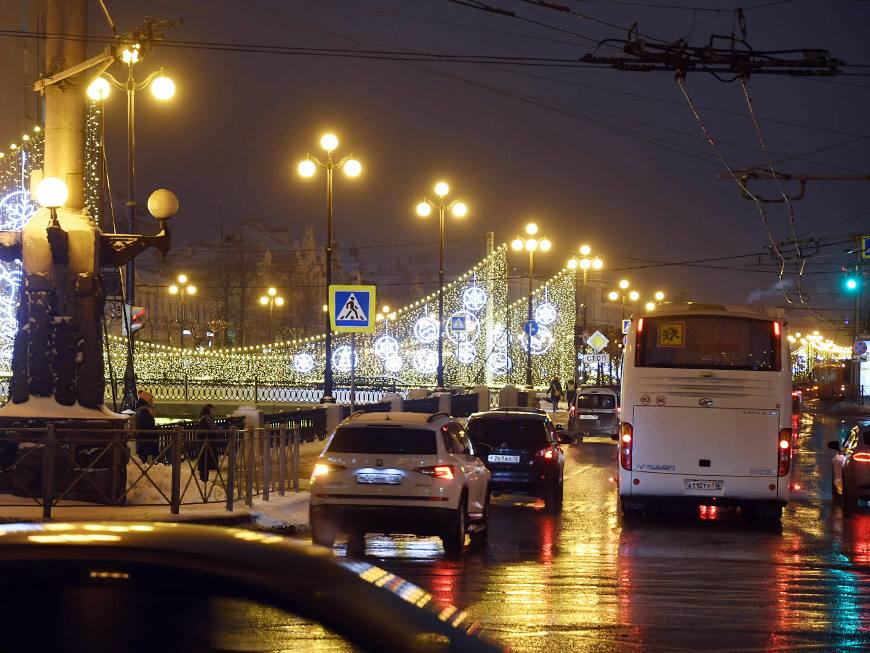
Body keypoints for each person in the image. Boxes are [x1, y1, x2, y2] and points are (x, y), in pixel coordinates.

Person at [135, 391, 158, 463]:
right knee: (143, 459)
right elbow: (147, 426)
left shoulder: (141, 410)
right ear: (146, 401)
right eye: (151, 400)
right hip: (146, 440)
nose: (152, 402)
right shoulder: (145, 412)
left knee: (143, 458)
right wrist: (156, 430)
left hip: (143, 440)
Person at [197, 404, 216, 482]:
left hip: (204, 444)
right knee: (205, 463)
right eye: (212, 410)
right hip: (205, 444)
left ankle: (204, 480)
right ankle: (204, 481)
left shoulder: (204, 418)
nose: (214, 412)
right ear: (208, 410)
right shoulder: (206, 418)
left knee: (205, 463)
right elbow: (212, 429)